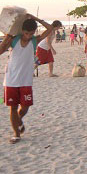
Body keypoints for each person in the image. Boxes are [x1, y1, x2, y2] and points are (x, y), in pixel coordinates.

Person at [0, 14, 56, 143]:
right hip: (11, 79)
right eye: (26, 33)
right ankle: (16, 133)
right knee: (13, 107)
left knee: (25, 107)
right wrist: (8, 36)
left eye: (31, 33)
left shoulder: (34, 41)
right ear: (22, 31)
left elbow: (50, 29)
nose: (28, 36)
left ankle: (18, 120)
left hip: (26, 80)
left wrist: (35, 18)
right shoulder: (13, 39)